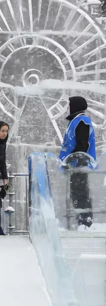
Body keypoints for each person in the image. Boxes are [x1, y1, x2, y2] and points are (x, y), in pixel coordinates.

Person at [60, 96, 97, 227]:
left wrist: (71, 158)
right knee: (76, 193)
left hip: (80, 164)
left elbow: (82, 144)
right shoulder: (75, 121)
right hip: (74, 165)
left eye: (69, 105)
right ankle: (81, 220)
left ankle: (85, 222)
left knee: (81, 193)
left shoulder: (82, 121)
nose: (68, 108)